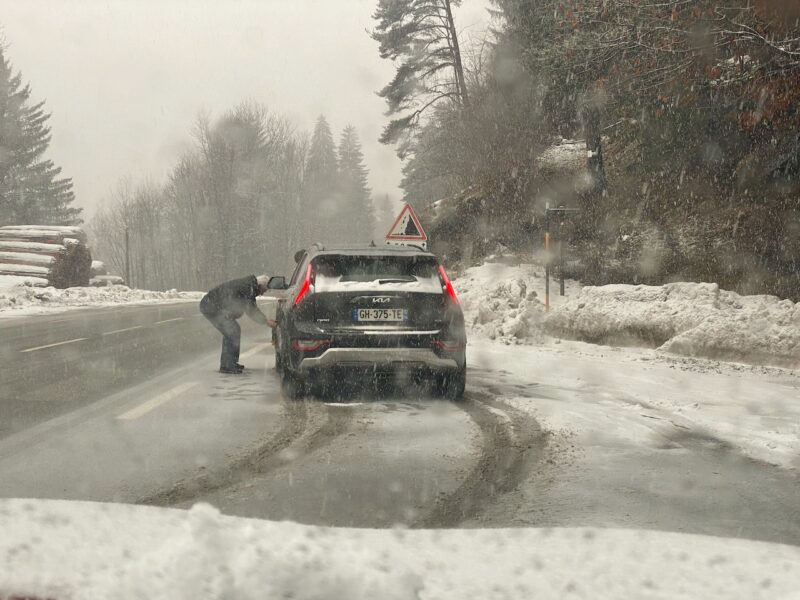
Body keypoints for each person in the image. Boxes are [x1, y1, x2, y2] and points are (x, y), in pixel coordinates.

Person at [199, 274, 276, 374]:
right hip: (210, 305)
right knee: (232, 331)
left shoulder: (249, 286)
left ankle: (230, 363)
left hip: (212, 304)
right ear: (260, 285)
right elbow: (251, 309)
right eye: (263, 290)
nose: (261, 294)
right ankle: (228, 365)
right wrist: (266, 321)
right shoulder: (248, 288)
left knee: (232, 330)